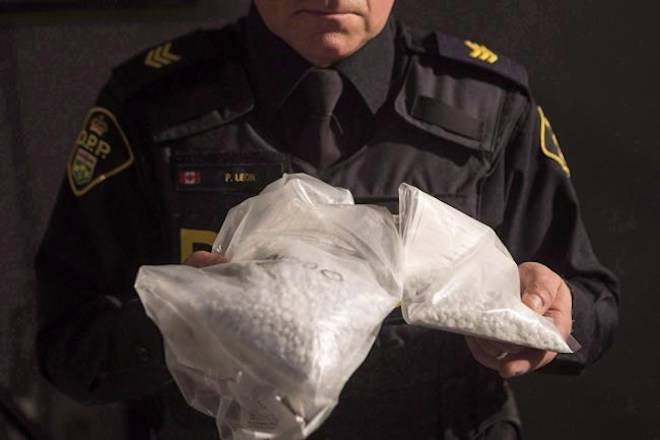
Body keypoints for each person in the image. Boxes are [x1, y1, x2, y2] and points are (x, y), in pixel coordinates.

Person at [35, 1, 620, 439]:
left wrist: (547, 315)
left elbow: (592, 307)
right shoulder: (152, 104)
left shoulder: (487, 105)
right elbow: (69, 345)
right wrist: (184, 324)